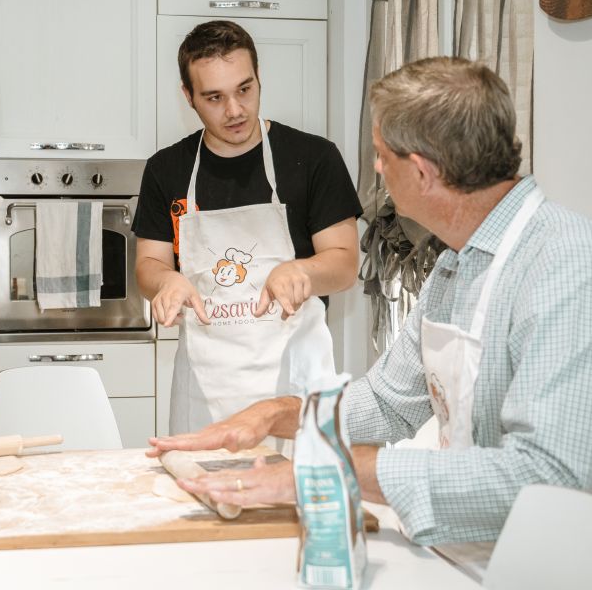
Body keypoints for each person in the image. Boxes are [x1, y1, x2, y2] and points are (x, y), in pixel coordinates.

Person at [149, 57, 592, 546]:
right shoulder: (456, 263)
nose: (377, 169)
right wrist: (276, 414)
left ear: (422, 172)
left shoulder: (564, 263)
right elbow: (387, 401)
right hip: (470, 546)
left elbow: (550, 477)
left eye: (382, 156)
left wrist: (332, 470)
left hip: (537, 563)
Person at [133, 20, 362, 435]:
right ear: (189, 97)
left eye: (245, 89)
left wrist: (303, 270)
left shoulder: (313, 158)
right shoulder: (166, 169)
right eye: (214, 98)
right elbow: (149, 263)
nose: (235, 110)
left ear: (259, 78)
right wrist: (166, 281)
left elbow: (345, 264)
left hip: (295, 386)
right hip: (204, 390)